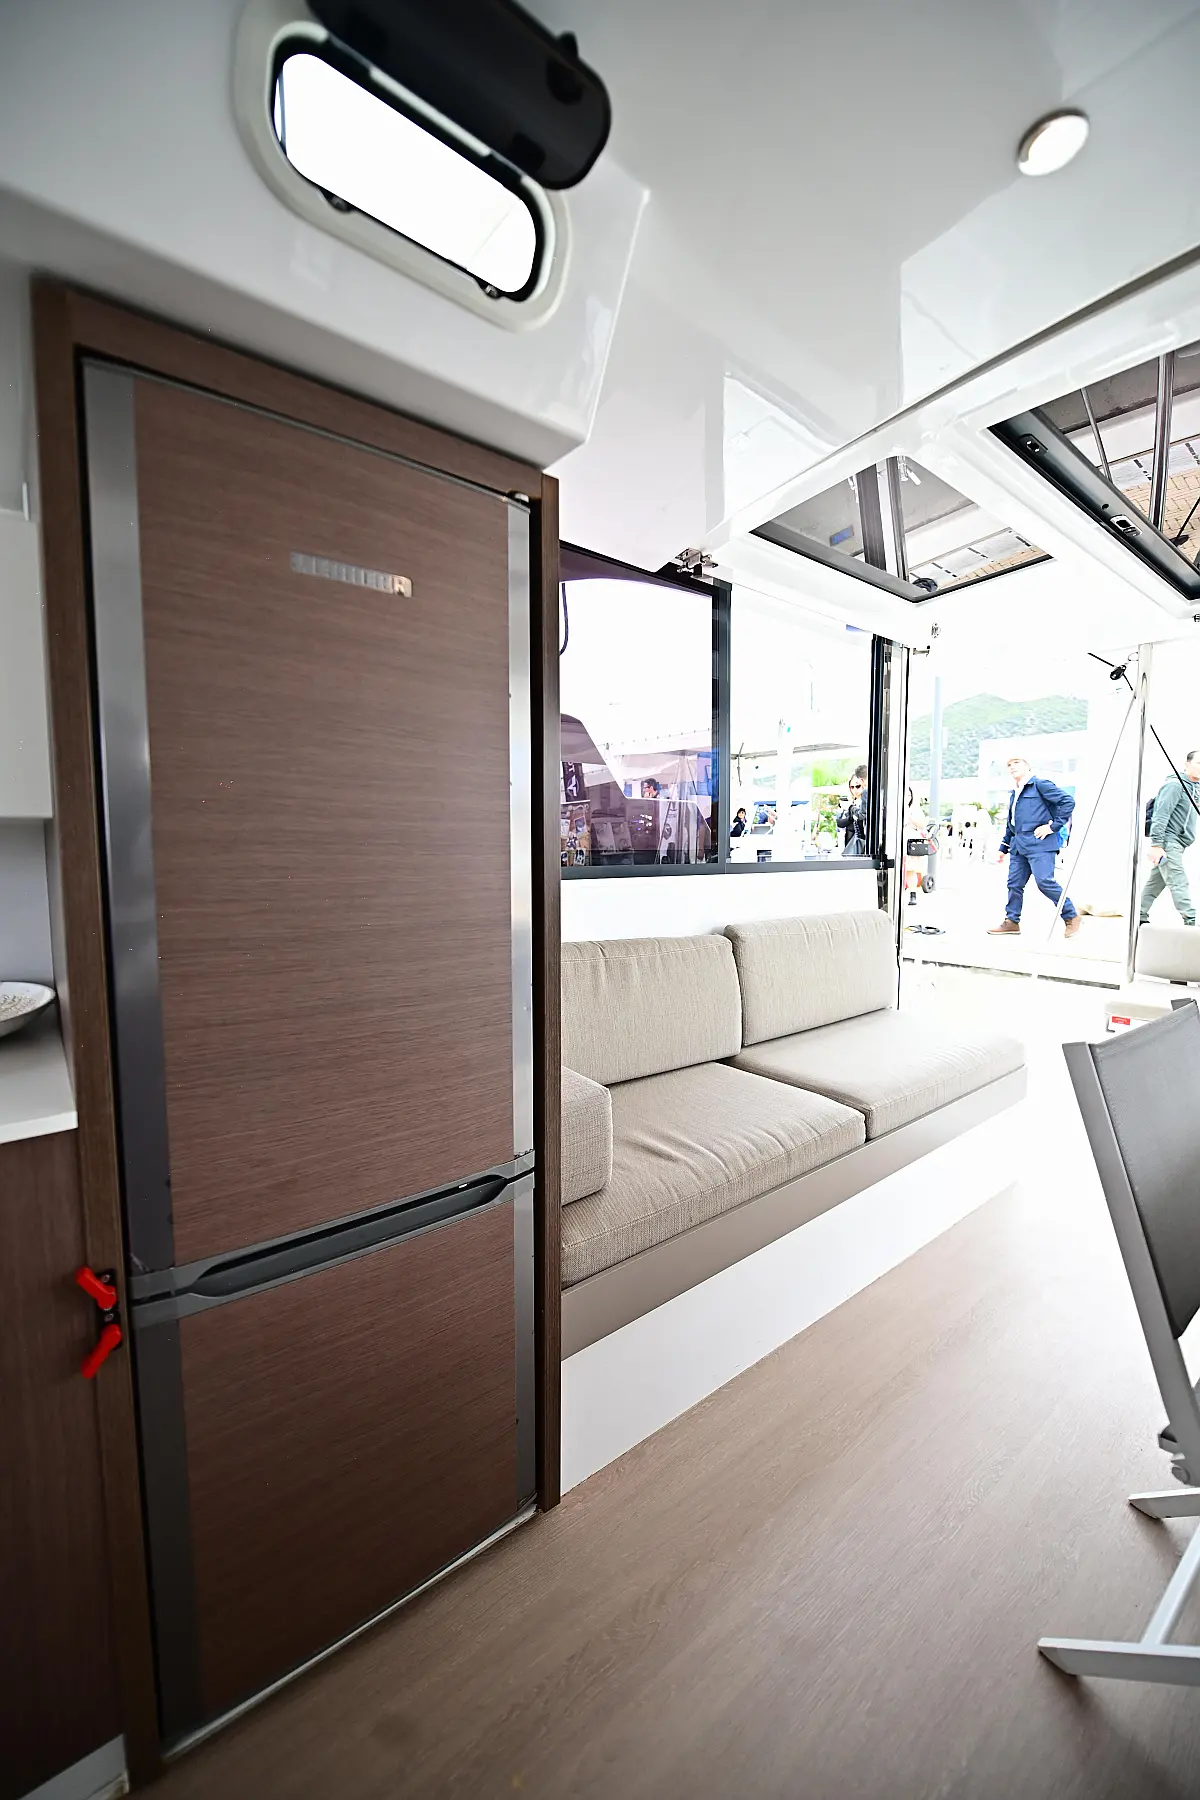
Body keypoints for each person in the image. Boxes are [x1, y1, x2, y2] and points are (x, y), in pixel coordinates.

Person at [989, 755, 1081, 937]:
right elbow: (1012, 823)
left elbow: (1068, 801)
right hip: (1018, 845)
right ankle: (1012, 922)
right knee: (1014, 884)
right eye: (1009, 764)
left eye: (1016, 762)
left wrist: (1053, 827)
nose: (1012, 767)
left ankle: (1071, 915)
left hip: (1040, 844)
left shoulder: (1040, 785)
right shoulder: (1015, 793)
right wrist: (1003, 848)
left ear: (1028, 766)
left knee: (1044, 882)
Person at [1139, 751, 1200, 928]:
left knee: (1156, 882)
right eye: (1199, 763)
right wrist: (1156, 845)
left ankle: (1140, 913)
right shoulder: (1175, 785)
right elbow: (1160, 815)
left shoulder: (1195, 788)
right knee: (1178, 880)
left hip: (1180, 843)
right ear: (1187, 764)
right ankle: (1192, 920)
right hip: (1168, 841)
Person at [836, 765, 869, 857]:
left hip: (860, 843)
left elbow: (862, 816)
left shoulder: (865, 796)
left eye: (857, 786)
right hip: (849, 842)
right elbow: (839, 822)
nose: (855, 790)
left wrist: (851, 809)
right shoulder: (847, 801)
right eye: (852, 787)